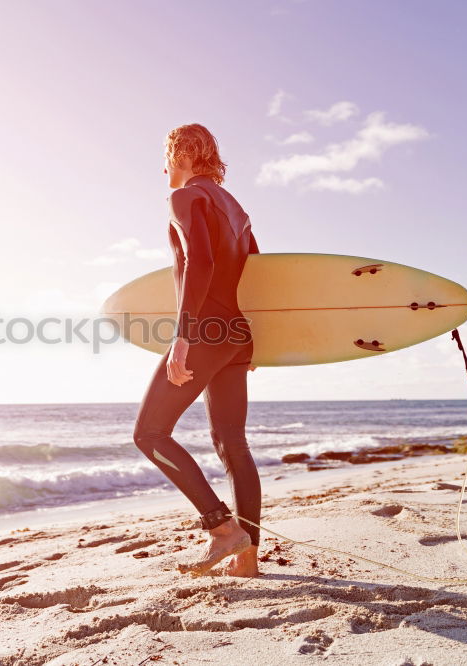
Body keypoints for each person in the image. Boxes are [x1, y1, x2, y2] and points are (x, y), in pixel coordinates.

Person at [132, 123, 262, 577]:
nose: (164, 168)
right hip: (237, 333)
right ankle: (247, 559)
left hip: (205, 330)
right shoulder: (237, 209)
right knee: (233, 444)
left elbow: (201, 262)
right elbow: (258, 273)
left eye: (167, 158)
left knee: (149, 434)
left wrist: (182, 338)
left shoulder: (185, 197)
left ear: (182, 155)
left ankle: (222, 528)